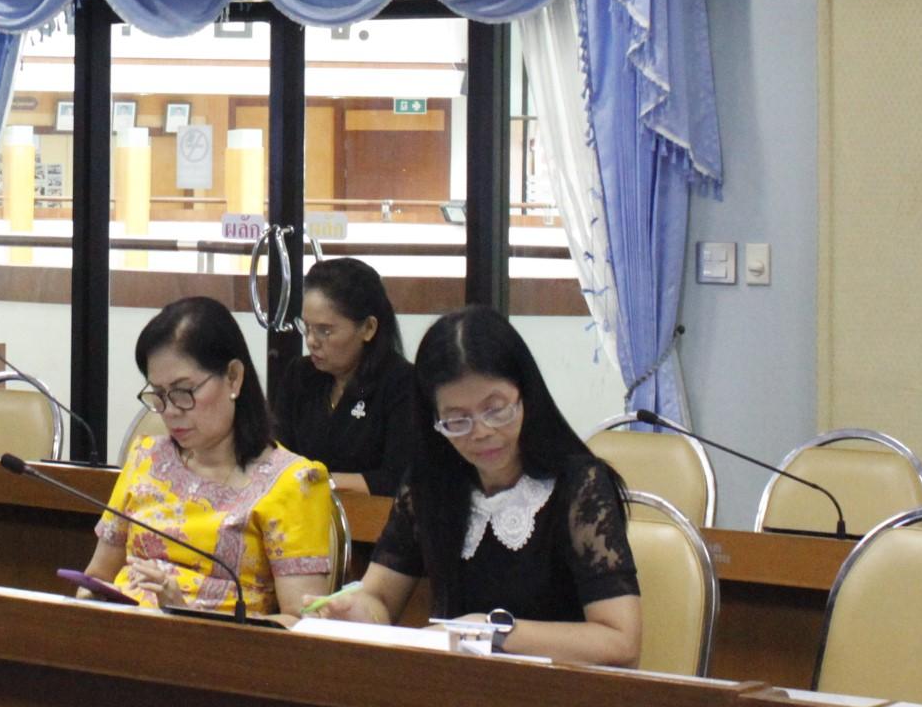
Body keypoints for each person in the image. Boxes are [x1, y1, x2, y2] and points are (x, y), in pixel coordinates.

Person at [315, 305, 642, 665]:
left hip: (558, 690)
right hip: (458, 686)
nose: (481, 432)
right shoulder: (428, 484)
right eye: (457, 420)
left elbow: (620, 642)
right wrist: (357, 611)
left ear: (525, 395)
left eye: (496, 409)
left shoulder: (580, 486)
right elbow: (380, 598)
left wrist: (490, 632)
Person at [81, 296, 336, 616]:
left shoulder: (293, 483)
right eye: (158, 394)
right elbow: (98, 576)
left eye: (183, 391)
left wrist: (187, 616)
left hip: (221, 645)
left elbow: (301, 623)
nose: (170, 410)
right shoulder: (146, 459)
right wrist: (88, 599)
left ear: (233, 377)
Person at [268, 257, 422, 495]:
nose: (311, 341)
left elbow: (397, 480)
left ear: (368, 328)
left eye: (325, 331)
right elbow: (277, 458)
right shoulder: (300, 374)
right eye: (306, 327)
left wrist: (324, 481)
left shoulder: (401, 383)